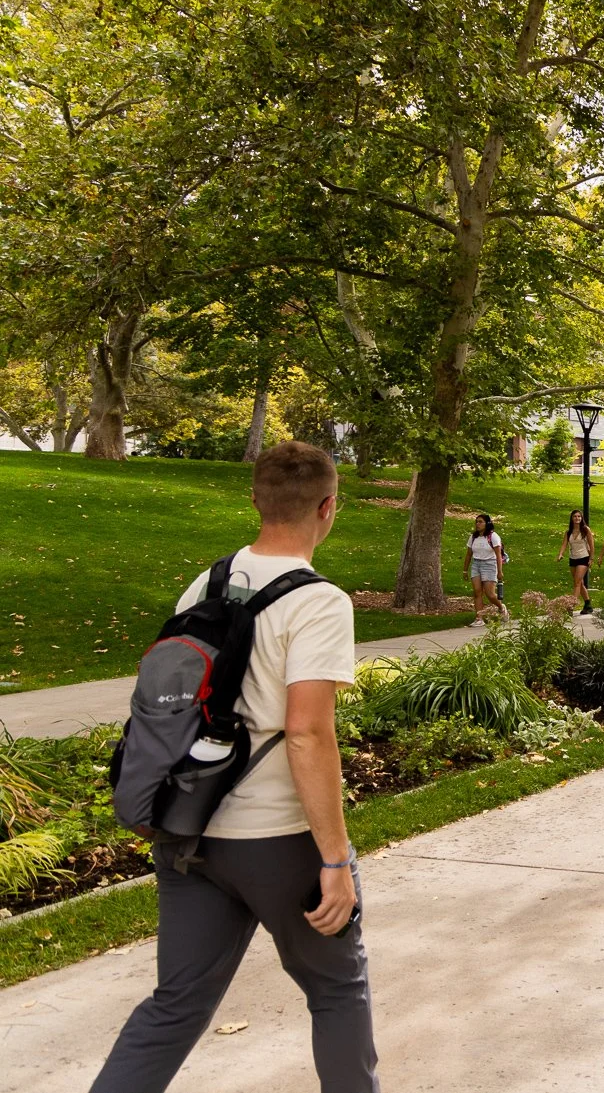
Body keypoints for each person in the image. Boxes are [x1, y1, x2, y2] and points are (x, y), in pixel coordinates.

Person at [91, 441, 378, 1093]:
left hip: (188, 830)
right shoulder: (320, 601)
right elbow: (307, 730)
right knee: (337, 990)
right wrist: (334, 860)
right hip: (277, 841)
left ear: (255, 499)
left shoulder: (208, 581)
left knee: (175, 1006)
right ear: (329, 507)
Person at [463, 512, 506, 617]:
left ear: (487, 523)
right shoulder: (473, 537)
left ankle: (501, 608)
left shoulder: (493, 537)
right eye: (476, 522)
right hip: (476, 564)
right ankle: (479, 618)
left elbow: (498, 555)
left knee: (490, 594)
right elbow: (469, 554)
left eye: (480, 522)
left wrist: (500, 572)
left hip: (489, 564)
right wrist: (465, 570)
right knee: (477, 592)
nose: (477, 524)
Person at [557, 509, 595, 614]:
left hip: (583, 558)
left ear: (581, 518)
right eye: (575, 516)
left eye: (579, 516)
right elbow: (564, 544)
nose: (577, 518)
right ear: (572, 518)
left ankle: (571, 606)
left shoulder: (585, 530)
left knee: (577, 582)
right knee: (580, 583)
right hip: (573, 558)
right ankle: (588, 604)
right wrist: (560, 554)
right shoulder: (568, 532)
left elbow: (592, 545)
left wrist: (591, 558)